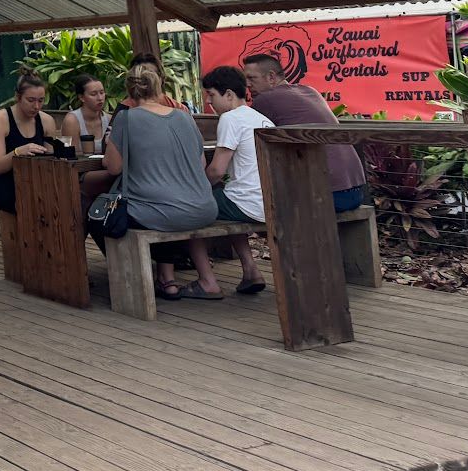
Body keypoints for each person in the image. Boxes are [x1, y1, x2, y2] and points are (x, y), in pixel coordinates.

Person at [103, 65, 223, 300]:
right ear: (159, 87)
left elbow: (113, 167)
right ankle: (165, 278)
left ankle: (138, 280)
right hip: (204, 208)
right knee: (159, 209)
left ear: (129, 91)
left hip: (162, 212)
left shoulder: (126, 118)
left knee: (103, 217)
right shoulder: (184, 116)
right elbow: (199, 164)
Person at [243, 53, 367, 212]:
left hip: (328, 194)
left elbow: (246, 139)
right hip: (356, 191)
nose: (247, 84)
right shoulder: (309, 90)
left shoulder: (265, 100)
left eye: (252, 78)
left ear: (271, 77)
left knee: (254, 205)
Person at [193, 65, 273, 294]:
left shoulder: (230, 118)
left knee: (190, 209)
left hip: (247, 203)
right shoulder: (262, 119)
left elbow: (217, 170)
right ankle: (250, 271)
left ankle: (206, 281)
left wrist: (196, 191)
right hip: (269, 201)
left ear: (228, 95)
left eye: (211, 95)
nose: (209, 102)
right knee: (227, 196)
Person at [0, 73, 61, 215]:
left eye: (41, 100)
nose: (36, 106)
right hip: (8, 184)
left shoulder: (46, 121)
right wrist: (18, 152)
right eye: (31, 100)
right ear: (18, 97)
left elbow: (52, 160)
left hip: (38, 182)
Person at [61, 74, 110, 152]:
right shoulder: (71, 120)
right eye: (93, 94)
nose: (100, 98)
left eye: (102, 92)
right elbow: (70, 155)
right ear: (81, 97)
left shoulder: (109, 119)